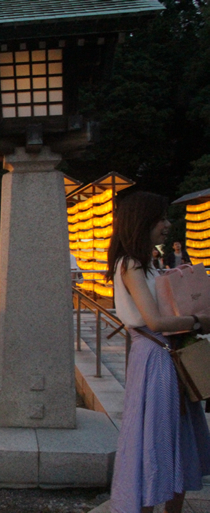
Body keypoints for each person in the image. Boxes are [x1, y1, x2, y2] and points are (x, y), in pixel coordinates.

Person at [106, 191, 210, 513]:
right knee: (160, 435)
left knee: (168, 433)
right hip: (157, 354)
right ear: (143, 222)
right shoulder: (132, 263)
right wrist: (197, 321)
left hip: (160, 351)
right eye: (161, 219)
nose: (167, 225)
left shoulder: (144, 262)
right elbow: (153, 320)